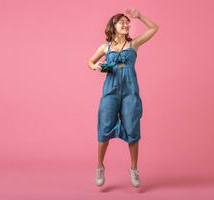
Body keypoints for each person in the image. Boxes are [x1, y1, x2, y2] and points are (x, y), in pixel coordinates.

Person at [87, 8, 159, 188]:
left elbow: (153, 28)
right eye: (122, 22)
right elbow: (90, 61)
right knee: (104, 128)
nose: (126, 24)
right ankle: (99, 166)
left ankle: (134, 169)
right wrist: (95, 66)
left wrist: (140, 16)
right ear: (113, 26)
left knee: (133, 129)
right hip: (110, 90)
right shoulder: (105, 47)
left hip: (130, 91)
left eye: (127, 22)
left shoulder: (133, 44)